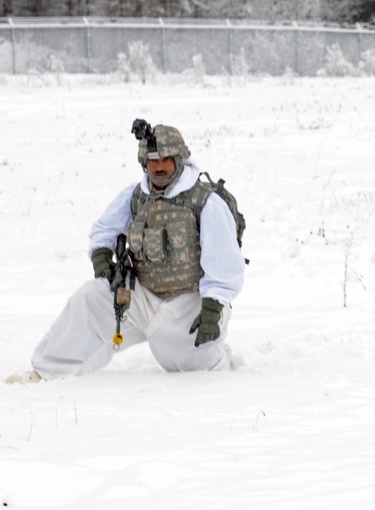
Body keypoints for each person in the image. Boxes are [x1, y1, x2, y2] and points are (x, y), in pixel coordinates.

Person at [5, 122, 245, 384]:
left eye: (166, 159)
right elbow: (104, 229)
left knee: (189, 363)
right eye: (152, 161)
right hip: (141, 293)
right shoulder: (136, 195)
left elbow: (225, 262)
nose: (159, 167)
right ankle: (47, 371)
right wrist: (101, 259)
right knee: (90, 299)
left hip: (191, 300)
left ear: (179, 160)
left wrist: (212, 309)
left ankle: (219, 370)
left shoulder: (206, 202)